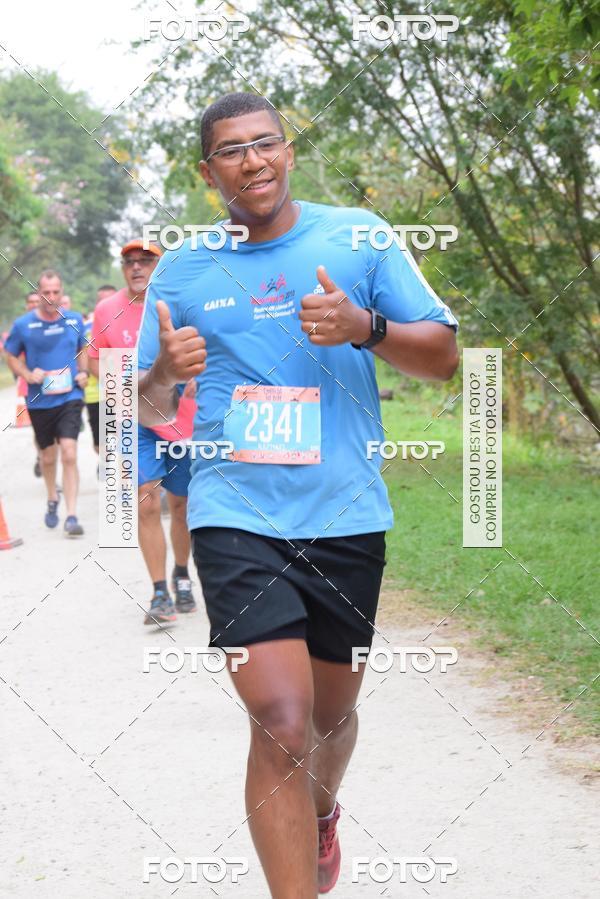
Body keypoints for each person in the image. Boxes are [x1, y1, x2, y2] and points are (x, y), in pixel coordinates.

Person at [137, 92, 459, 897]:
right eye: (232, 151)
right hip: (233, 512)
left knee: (328, 722)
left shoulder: (358, 237)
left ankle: (320, 811)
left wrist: (365, 328)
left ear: (288, 150)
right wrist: (166, 374)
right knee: (281, 722)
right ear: (209, 172)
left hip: (346, 515)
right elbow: (138, 407)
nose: (253, 161)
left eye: (265, 143)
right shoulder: (182, 268)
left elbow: (447, 357)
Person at [88, 241, 197, 625]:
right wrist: (114, 383)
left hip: (179, 419)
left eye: (145, 261)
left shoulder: (178, 299)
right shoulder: (106, 310)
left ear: (158, 265)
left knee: (181, 505)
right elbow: (93, 359)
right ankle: (159, 592)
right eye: (129, 262)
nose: (136, 268)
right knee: (146, 502)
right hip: (133, 422)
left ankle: (182, 574)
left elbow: (202, 350)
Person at [5, 270, 88, 536]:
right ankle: (53, 497)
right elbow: (10, 355)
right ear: (39, 293)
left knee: (70, 452)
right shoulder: (23, 325)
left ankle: (72, 515)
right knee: (48, 457)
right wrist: (28, 374)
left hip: (70, 397)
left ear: (62, 292)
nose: (52, 297)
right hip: (40, 401)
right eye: (46, 292)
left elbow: (82, 347)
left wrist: (84, 372)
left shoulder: (73, 319)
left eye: (56, 292)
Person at [84, 285, 117, 455]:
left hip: (124, 395)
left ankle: (118, 468)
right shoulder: (88, 328)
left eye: (109, 299)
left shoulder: (128, 323)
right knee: (100, 445)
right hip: (96, 395)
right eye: (101, 300)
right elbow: (84, 358)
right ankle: (105, 461)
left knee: (126, 440)